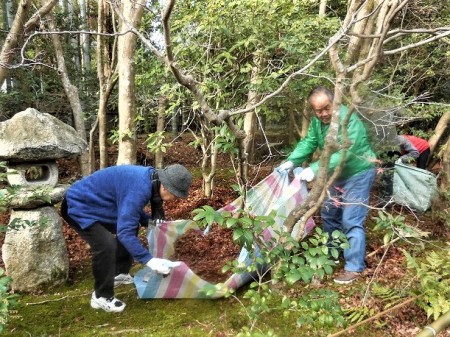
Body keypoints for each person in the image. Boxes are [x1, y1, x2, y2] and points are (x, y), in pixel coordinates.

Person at [275, 86, 377, 284]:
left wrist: (315, 167)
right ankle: (332, 253)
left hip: (358, 172)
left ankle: (354, 267)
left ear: (334, 103)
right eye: (318, 110)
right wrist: (292, 161)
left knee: (351, 218)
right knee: (329, 214)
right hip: (335, 174)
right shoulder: (317, 122)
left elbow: (346, 152)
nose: (323, 114)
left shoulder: (348, 120)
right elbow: (309, 142)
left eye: (326, 108)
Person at [61, 163, 192, 312]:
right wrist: (149, 260)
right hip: (78, 205)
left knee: (131, 224)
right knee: (106, 245)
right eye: (175, 195)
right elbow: (125, 232)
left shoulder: (150, 179)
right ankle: (101, 296)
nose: (175, 199)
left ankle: (119, 273)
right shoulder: (141, 187)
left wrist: (153, 223)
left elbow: (131, 209)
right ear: (165, 188)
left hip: (100, 204)